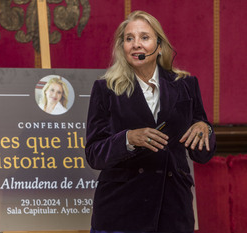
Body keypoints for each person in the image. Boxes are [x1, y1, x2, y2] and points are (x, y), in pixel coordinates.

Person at [85, 10, 216, 233]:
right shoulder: (105, 89)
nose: (136, 44)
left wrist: (205, 129)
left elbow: (202, 154)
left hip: (173, 210)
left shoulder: (186, 85)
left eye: (144, 37)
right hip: (121, 212)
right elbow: (94, 155)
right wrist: (127, 138)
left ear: (159, 46)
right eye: (129, 39)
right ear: (122, 47)